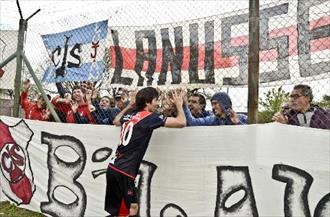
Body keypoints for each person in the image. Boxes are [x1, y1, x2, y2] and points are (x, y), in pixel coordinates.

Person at [105, 87, 186, 217]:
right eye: (156, 100)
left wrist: (129, 106)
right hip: (125, 171)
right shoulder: (149, 117)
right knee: (132, 209)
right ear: (148, 102)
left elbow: (116, 121)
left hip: (113, 168)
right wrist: (179, 105)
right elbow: (182, 122)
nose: (157, 103)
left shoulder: (129, 115)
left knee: (122, 212)